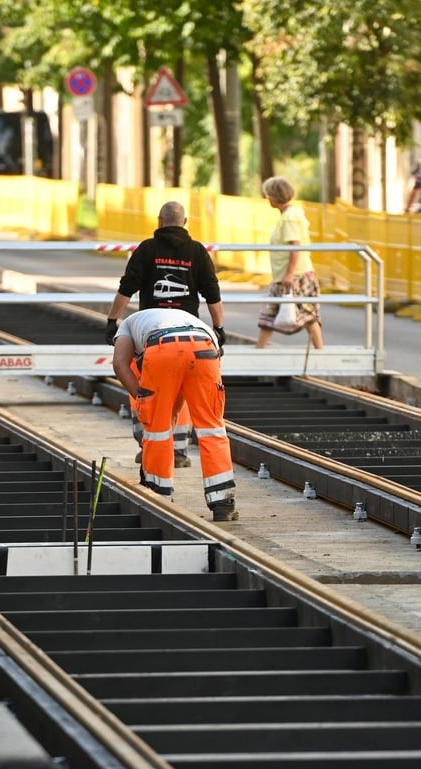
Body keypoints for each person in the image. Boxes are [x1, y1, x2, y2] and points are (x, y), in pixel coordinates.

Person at [105, 200, 227, 468]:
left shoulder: (147, 249)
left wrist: (113, 320)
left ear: (158, 222)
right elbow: (212, 292)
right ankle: (179, 450)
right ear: (184, 223)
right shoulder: (197, 251)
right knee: (183, 388)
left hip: (153, 336)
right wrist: (218, 328)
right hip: (190, 331)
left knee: (146, 382)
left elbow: (127, 287)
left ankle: (149, 443)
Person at [111, 307, 239, 522]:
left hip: (162, 351)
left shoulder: (126, 326)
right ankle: (223, 503)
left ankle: (159, 497)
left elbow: (120, 364)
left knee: (157, 431)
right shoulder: (183, 318)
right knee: (212, 428)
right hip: (205, 347)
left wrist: (143, 399)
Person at [256, 177, 324, 350]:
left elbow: (295, 246)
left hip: (294, 275)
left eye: (268, 194)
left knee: (277, 314)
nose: (267, 198)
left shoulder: (290, 218)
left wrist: (289, 274)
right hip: (289, 274)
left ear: (274, 196)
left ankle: (260, 350)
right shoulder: (290, 214)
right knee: (305, 315)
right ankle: (319, 349)